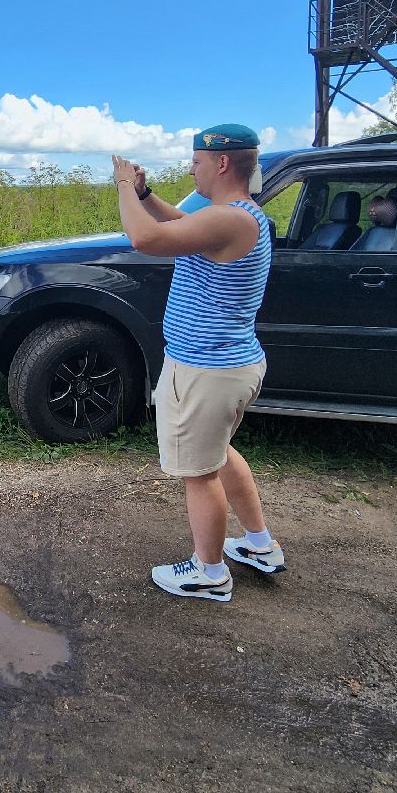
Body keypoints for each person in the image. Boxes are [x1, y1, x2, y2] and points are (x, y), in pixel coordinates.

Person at [112, 123, 285, 603]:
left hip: (207, 370)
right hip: (227, 365)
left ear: (222, 162)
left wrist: (125, 186)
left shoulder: (231, 219)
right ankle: (257, 544)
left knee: (200, 472)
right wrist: (146, 193)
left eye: (196, 162)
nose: (192, 168)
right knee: (219, 454)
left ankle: (209, 572)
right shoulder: (230, 215)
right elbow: (173, 226)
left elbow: (146, 239)